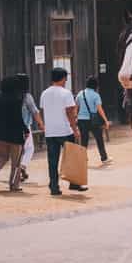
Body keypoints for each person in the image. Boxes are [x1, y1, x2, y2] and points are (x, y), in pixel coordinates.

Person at [40, 67, 85, 195]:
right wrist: (75, 129)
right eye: (66, 78)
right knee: (71, 158)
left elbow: (43, 111)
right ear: (63, 78)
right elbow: (70, 112)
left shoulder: (44, 93)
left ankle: (54, 186)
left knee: (52, 160)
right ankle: (74, 183)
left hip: (50, 132)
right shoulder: (66, 93)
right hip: (65, 130)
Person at [0, 75, 28, 192]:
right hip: (14, 134)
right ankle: (14, 184)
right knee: (16, 161)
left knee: (1, 156)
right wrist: (25, 129)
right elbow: (18, 118)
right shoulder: (17, 98)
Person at [76, 76, 112, 165]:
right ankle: (104, 158)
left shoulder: (80, 94)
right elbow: (99, 109)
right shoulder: (96, 95)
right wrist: (106, 120)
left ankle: (82, 159)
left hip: (81, 120)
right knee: (99, 139)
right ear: (96, 85)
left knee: (83, 140)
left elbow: (76, 107)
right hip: (93, 120)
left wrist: (75, 119)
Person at [16, 73, 44, 182]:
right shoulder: (26, 96)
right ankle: (22, 167)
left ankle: (17, 171)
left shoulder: (12, 95)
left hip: (11, 126)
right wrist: (41, 124)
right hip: (25, 127)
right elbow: (35, 112)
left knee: (17, 150)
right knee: (29, 148)